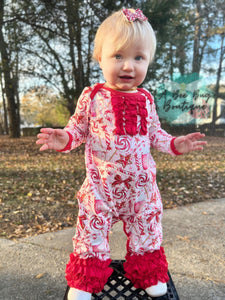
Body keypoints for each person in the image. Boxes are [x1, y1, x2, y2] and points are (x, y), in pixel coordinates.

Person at [36, 8, 207, 300]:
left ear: (148, 61)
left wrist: (177, 144)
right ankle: (85, 280)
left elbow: (155, 134)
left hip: (141, 188)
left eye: (138, 57)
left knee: (148, 229)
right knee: (91, 231)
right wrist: (63, 137)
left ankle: (148, 272)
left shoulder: (147, 98)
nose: (128, 65)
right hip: (101, 186)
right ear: (99, 57)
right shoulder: (92, 97)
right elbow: (77, 130)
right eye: (118, 56)